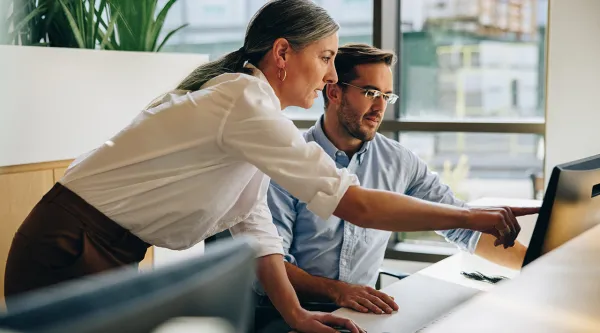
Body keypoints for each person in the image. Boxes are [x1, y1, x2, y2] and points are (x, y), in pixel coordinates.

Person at [4, 1, 533, 332]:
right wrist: (472, 217)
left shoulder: (255, 117)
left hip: (104, 247)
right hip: (70, 244)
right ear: (284, 53)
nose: (330, 75)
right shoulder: (245, 103)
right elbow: (355, 203)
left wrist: (297, 316)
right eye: (325, 58)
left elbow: (255, 228)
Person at [266, 43, 532, 316]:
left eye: (387, 96)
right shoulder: (289, 162)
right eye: (370, 93)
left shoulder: (398, 161)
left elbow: (461, 226)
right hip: (292, 311)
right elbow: (272, 261)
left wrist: (535, 267)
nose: (380, 108)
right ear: (334, 92)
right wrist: (338, 291)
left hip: (362, 314)